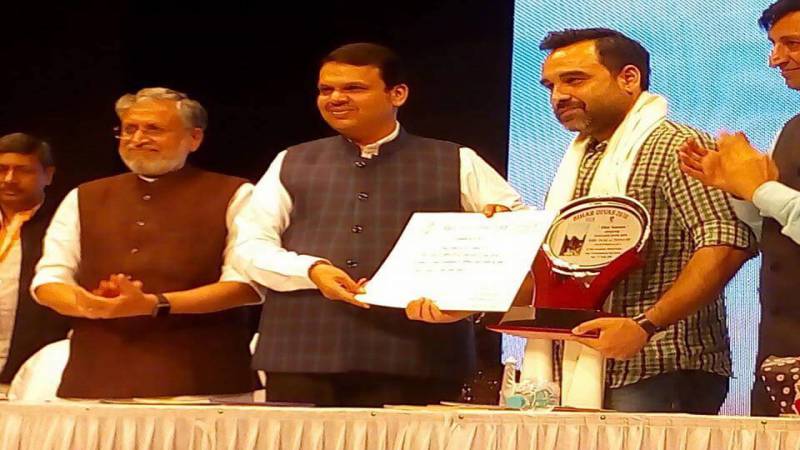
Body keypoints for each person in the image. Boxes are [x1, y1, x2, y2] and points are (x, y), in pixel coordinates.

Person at [412, 29, 755, 413]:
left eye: (574, 79)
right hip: (575, 362)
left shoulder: (679, 145)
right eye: (550, 86)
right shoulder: (576, 162)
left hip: (658, 365)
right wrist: (472, 300)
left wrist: (645, 325)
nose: (558, 96)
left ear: (629, 78)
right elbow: (561, 276)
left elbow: (726, 245)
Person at [233, 42, 525, 406]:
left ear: (397, 94)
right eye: (326, 89)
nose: (335, 98)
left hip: (419, 356)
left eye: (353, 88)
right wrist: (312, 270)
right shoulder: (292, 160)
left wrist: (490, 245)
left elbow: (516, 235)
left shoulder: (455, 159)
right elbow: (249, 247)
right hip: (302, 353)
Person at [32, 87, 262, 399]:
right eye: (129, 129)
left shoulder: (236, 194)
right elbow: (49, 278)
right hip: (93, 379)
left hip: (203, 384)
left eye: (153, 129)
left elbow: (247, 286)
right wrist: (89, 305)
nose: (138, 138)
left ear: (194, 139)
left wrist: (155, 304)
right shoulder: (85, 195)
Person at [678, 0, 800, 416]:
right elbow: (777, 227)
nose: (775, 59)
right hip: (780, 355)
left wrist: (761, 188)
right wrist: (735, 188)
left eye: (792, 43)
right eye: (774, 44)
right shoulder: (791, 128)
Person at [0, 133, 69, 394]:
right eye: (2, 169)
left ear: (48, 175)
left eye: (22, 170)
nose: (9, 179)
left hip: (33, 376)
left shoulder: (64, 225)